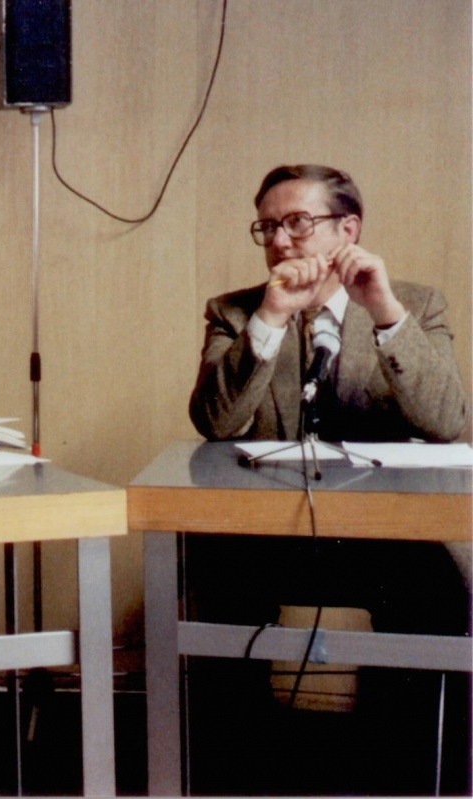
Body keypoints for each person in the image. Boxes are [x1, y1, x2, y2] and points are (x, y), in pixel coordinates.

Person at [186, 164, 471, 795]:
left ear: (349, 229)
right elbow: (214, 421)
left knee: (441, 599)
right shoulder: (236, 312)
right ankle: (236, 777)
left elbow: (449, 422)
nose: (279, 242)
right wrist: (268, 319)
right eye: (268, 226)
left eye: (298, 223)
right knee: (212, 582)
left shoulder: (416, 305)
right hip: (263, 534)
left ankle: (410, 774)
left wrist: (384, 310)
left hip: (384, 539)